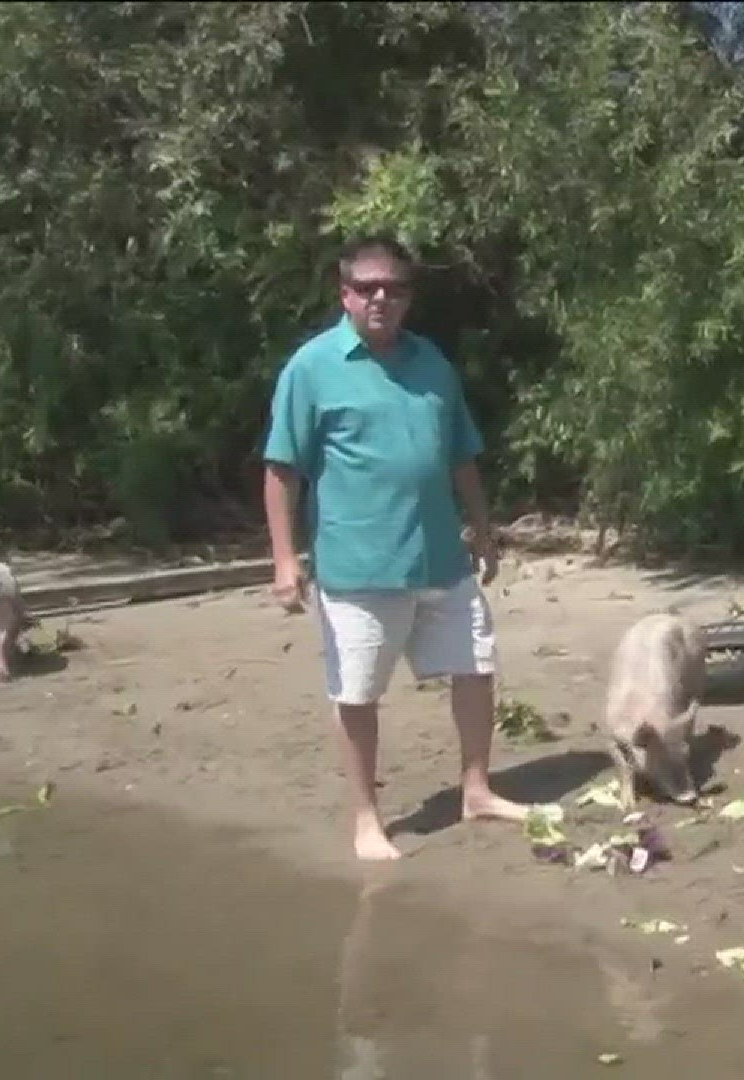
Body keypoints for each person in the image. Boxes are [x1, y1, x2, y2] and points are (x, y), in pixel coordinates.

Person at [261, 234, 530, 861]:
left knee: (477, 668)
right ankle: (366, 821)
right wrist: (283, 558)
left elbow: (461, 453)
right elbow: (281, 469)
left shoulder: (432, 361)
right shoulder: (311, 367)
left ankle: (476, 790)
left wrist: (483, 528)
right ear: (345, 294)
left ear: (409, 295)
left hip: (441, 555)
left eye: (394, 287)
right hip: (358, 567)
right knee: (357, 693)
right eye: (367, 287)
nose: (381, 297)